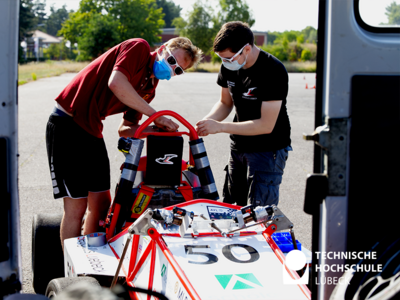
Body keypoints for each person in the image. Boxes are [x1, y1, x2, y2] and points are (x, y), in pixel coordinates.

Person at [46, 37, 202, 247]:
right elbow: (116, 82)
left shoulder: (149, 87)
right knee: (77, 206)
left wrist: (153, 128)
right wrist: (156, 116)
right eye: (172, 61)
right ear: (163, 49)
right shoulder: (139, 47)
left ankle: (91, 260)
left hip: (92, 129)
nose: (172, 69)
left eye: (178, 70)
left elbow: (125, 130)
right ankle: (70, 271)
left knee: (102, 204)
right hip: (68, 123)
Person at [195, 21, 292, 207]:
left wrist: (220, 127)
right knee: (232, 208)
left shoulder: (273, 70)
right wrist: (208, 121)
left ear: (246, 49)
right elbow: (225, 102)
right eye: (222, 59)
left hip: (267, 149)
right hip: (239, 147)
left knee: (259, 214)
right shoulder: (229, 66)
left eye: (229, 59)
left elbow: (265, 125)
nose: (225, 63)